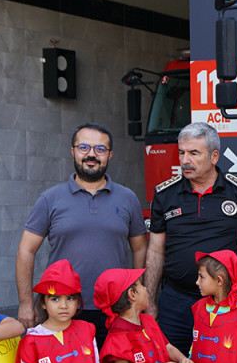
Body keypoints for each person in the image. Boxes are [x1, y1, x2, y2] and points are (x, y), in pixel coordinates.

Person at [18, 123, 147, 344]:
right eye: (84, 147)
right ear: (73, 151)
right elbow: (26, 250)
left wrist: (136, 296)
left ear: (110, 155)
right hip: (62, 307)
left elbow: (140, 248)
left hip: (116, 308)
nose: (91, 155)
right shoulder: (50, 199)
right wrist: (25, 302)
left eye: (100, 149)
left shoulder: (128, 198)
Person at [145, 122, 237, 354]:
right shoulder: (164, 195)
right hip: (176, 302)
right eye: (182, 153)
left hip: (226, 302)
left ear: (214, 156)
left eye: (194, 153)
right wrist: (150, 302)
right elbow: (155, 251)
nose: (185, 160)